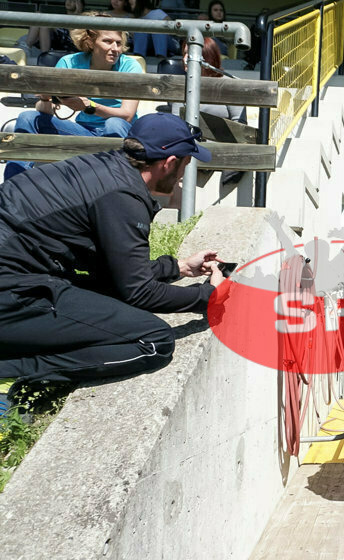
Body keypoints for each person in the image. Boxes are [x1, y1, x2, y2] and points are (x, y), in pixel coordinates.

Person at [0, 113, 224, 389]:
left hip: (18, 272)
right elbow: (139, 292)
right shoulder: (123, 197)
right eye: (185, 165)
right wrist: (210, 297)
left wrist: (178, 267)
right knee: (154, 341)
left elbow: (116, 271)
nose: (182, 176)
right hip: (10, 290)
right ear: (169, 163)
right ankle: (14, 371)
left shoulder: (106, 169)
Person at [5, 19, 142, 180]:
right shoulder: (69, 62)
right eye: (108, 41)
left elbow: (127, 115)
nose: (115, 48)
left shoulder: (130, 65)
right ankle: (12, 185)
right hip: (84, 131)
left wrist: (89, 106)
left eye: (118, 43)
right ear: (90, 42)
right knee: (28, 117)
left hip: (122, 132)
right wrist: (46, 98)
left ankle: (113, 182)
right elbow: (46, 111)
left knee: (114, 123)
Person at [170, 37, 246, 123]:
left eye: (190, 54)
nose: (185, 59)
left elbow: (240, 122)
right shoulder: (181, 85)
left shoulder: (230, 85)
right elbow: (176, 122)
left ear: (207, 57)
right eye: (184, 54)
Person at [19, 0, 84, 57]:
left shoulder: (82, 20)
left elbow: (72, 37)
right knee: (38, 16)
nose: (69, 1)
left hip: (67, 45)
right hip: (53, 42)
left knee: (44, 23)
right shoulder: (61, 17)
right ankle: (27, 47)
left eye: (73, 1)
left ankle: (44, 56)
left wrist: (77, 13)